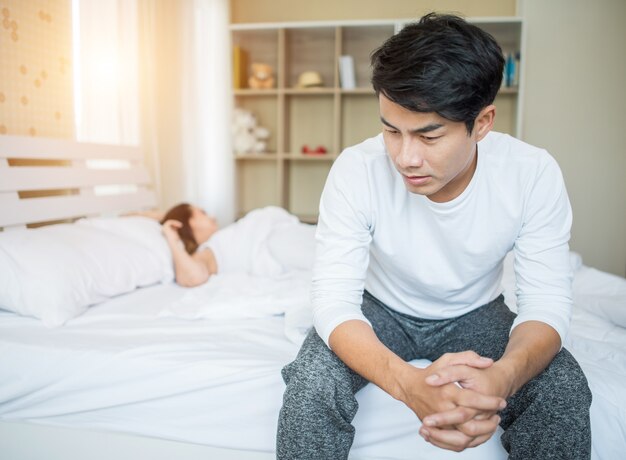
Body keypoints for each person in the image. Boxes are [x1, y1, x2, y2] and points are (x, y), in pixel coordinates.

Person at [277, 13, 591, 460]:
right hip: (379, 309)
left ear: (482, 123)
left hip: (476, 311)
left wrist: (503, 378)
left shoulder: (532, 173)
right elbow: (333, 301)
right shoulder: (356, 169)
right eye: (391, 130)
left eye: (429, 135)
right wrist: (408, 385)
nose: (406, 157)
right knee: (311, 381)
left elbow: (546, 304)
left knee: (560, 385)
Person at [160, 203, 315, 287]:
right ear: (186, 223)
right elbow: (194, 277)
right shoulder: (201, 254)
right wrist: (172, 240)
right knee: (332, 255)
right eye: (203, 213)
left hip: (277, 235)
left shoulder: (214, 240)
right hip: (272, 244)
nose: (212, 217)